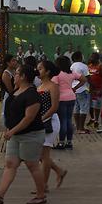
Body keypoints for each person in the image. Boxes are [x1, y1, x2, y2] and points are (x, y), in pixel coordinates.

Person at [0, 63, 48, 204]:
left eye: (17, 74)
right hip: (15, 135)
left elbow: (28, 118)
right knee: (10, 163)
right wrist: (9, 129)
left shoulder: (32, 95)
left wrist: (12, 130)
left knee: (32, 164)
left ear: (23, 77)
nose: (14, 77)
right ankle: (0, 193)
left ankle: (41, 194)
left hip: (31, 134)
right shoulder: (15, 93)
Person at [36, 60, 67, 190]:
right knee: (41, 155)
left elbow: (54, 107)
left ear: (47, 71)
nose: (38, 71)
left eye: (40, 69)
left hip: (50, 122)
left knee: (44, 154)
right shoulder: (39, 86)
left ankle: (43, 185)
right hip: (41, 122)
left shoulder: (53, 86)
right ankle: (59, 171)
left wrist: (42, 118)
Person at [52, 55, 81, 150]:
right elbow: (84, 79)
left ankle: (61, 143)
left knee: (62, 121)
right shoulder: (71, 73)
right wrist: (74, 88)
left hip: (61, 99)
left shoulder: (57, 75)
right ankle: (69, 142)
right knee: (69, 120)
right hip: (71, 97)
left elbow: (54, 87)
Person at [70, 51, 90, 137]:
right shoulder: (84, 66)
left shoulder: (72, 66)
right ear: (79, 57)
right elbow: (87, 77)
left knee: (76, 109)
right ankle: (81, 128)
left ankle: (78, 127)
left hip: (73, 89)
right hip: (82, 89)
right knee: (83, 109)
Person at [87, 53, 102, 129]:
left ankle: (96, 120)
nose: (91, 59)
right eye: (91, 57)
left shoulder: (101, 66)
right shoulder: (89, 66)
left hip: (98, 90)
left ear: (97, 58)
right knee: (89, 106)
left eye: (93, 57)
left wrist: (101, 89)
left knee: (97, 106)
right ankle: (92, 118)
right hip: (89, 90)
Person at [0, 55, 18, 121]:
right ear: (8, 63)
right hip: (10, 97)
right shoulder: (6, 74)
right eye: (13, 61)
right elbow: (10, 90)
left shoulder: (15, 71)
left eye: (15, 60)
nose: (15, 62)